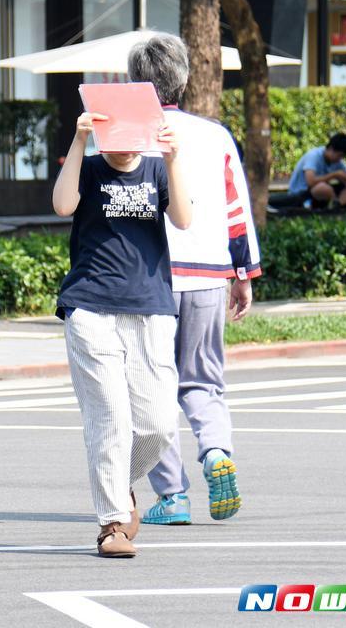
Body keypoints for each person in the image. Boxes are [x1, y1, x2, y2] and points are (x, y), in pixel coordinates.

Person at [125, 34, 262, 527]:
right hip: (209, 273)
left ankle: (173, 495)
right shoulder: (216, 135)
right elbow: (236, 210)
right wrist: (242, 274)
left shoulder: (126, 136)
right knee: (203, 381)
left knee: (151, 390)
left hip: (150, 279)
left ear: (134, 82)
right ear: (183, 78)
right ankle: (216, 452)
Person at [53, 101, 191, 558]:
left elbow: (185, 218)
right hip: (90, 307)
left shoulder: (155, 169)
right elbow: (62, 205)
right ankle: (112, 523)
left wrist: (172, 158)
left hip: (150, 308)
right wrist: (78, 141)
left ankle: (118, 482)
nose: (121, 146)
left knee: (159, 424)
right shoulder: (90, 170)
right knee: (110, 417)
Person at [284, 133, 346, 209]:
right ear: (331, 148)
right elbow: (310, 182)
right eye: (339, 155)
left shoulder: (337, 161)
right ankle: (333, 203)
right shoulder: (314, 156)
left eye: (342, 156)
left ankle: (337, 204)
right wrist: (334, 175)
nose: (340, 159)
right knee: (323, 188)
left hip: (322, 193)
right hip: (302, 193)